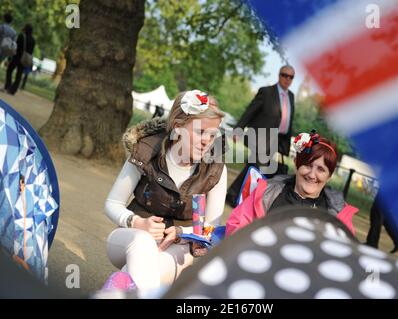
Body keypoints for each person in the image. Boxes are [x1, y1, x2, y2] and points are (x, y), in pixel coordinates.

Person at [104, 90, 228, 292]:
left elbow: (211, 228)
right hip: (128, 239)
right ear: (178, 127)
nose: (207, 141)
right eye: (200, 132)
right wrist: (137, 222)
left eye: (212, 135)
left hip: (177, 249)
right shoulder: (146, 150)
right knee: (141, 241)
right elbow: (112, 204)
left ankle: (114, 291)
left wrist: (182, 233)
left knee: (128, 280)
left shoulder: (216, 168)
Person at [226, 130, 359, 236]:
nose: (312, 175)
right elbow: (237, 227)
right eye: (307, 165)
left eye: (321, 169)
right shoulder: (267, 193)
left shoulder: (339, 213)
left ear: (329, 176)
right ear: (296, 164)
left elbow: (347, 253)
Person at [226, 65, 296, 207]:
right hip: (260, 136)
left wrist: (285, 146)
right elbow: (250, 111)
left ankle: (234, 195)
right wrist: (238, 128)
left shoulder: (291, 96)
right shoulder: (266, 92)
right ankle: (236, 197)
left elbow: (288, 120)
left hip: (277, 140)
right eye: (284, 75)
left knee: (255, 167)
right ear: (279, 75)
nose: (287, 79)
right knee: (256, 166)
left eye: (291, 77)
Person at [4, 24, 35, 95]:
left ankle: (8, 85)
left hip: (17, 57)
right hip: (25, 59)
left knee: (9, 70)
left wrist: (10, 57)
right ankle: (13, 90)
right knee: (19, 74)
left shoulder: (22, 36)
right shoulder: (33, 40)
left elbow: (16, 46)